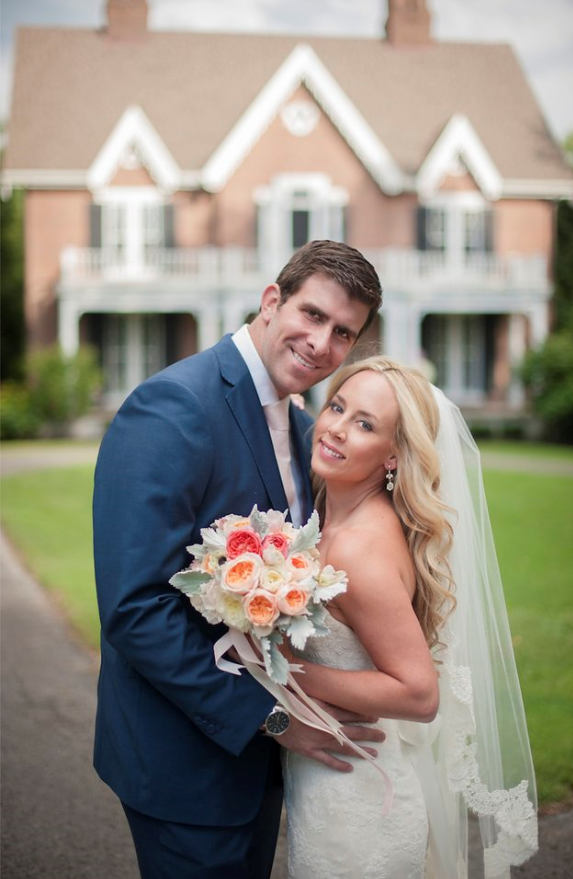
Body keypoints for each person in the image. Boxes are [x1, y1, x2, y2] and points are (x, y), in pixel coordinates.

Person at [92, 240, 387, 879]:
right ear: (272, 300)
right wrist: (272, 720)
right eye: (312, 314)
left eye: (343, 332)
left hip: (263, 768)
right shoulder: (173, 407)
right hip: (184, 763)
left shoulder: (307, 430)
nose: (321, 343)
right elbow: (135, 609)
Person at [282, 356, 538, 879]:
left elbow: (419, 694)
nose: (336, 428)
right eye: (337, 407)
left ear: (393, 454)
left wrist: (289, 673)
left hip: (358, 805)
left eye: (365, 424)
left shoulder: (358, 549)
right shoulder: (331, 519)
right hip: (333, 782)